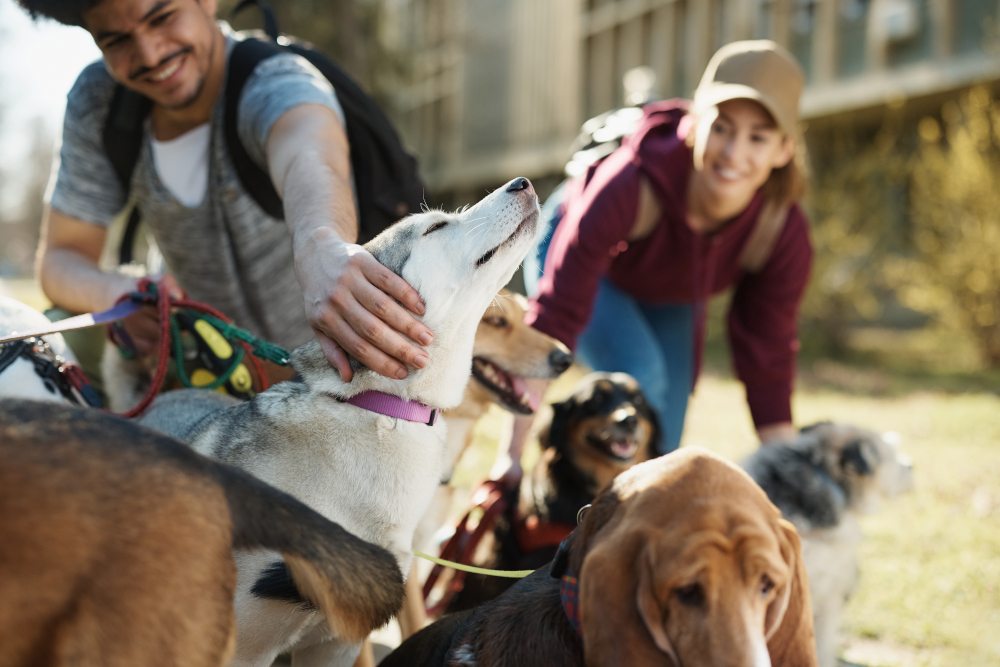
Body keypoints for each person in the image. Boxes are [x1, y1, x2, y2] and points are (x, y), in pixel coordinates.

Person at [17, 0, 432, 383]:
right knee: (52, 332)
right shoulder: (101, 103)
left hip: (341, 377)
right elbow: (61, 260)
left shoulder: (275, 78)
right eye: (117, 40)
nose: (150, 54)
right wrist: (117, 294)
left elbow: (310, 154)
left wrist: (321, 245)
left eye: (161, 17)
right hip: (210, 380)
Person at [494, 40, 813, 481]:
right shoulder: (631, 181)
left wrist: (791, 477)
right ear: (695, 123)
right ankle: (570, 506)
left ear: (783, 150)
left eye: (758, 137)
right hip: (576, 254)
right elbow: (555, 319)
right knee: (641, 377)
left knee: (662, 432)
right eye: (722, 127)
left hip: (668, 288)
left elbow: (768, 352)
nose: (734, 152)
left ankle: (629, 529)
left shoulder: (781, 231)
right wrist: (509, 456)